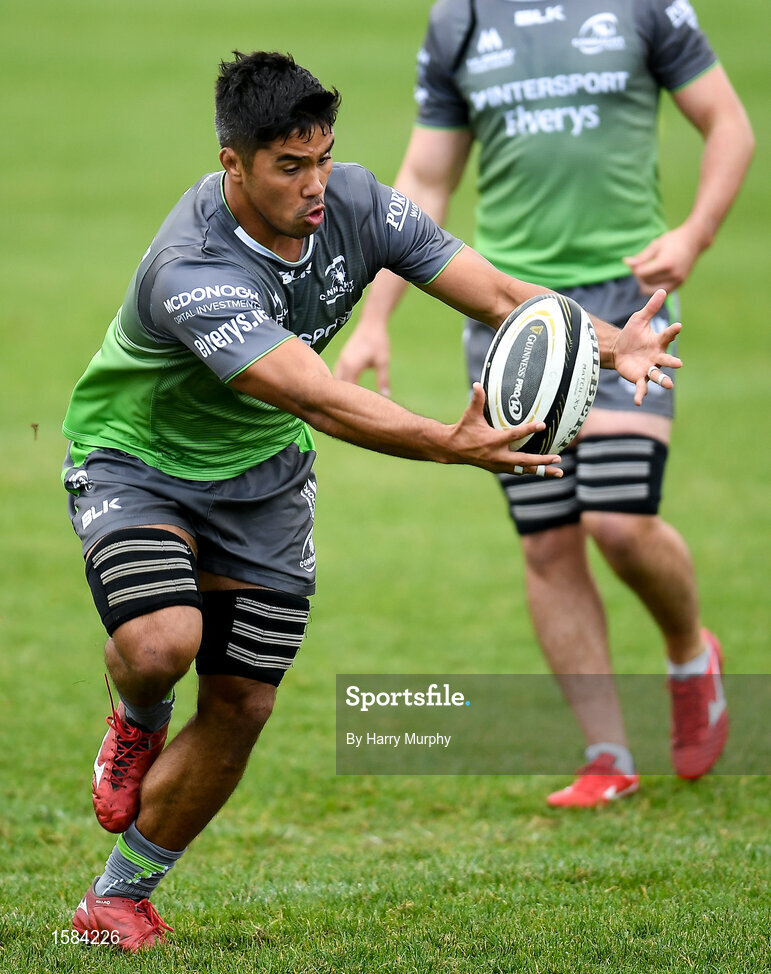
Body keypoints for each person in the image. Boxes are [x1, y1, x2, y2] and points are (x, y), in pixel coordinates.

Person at [62, 50, 679, 950]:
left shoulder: (357, 202)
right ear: (232, 163)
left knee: (244, 705)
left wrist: (601, 340)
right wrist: (450, 443)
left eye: (322, 158)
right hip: (139, 461)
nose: (317, 185)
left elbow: (501, 294)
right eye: (289, 166)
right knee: (162, 644)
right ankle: (137, 717)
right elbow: (319, 395)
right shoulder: (191, 268)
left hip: (264, 482)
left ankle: (118, 897)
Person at [334, 1, 754, 806]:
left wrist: (695, 234)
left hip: (624, 298)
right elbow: (424, 179)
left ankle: (687, 654)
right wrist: (376, 317)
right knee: (547, 541)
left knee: (619, 520)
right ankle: (606, 754)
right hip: (513, 316)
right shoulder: (458, 19)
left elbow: (728, 125)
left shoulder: (643, 8)